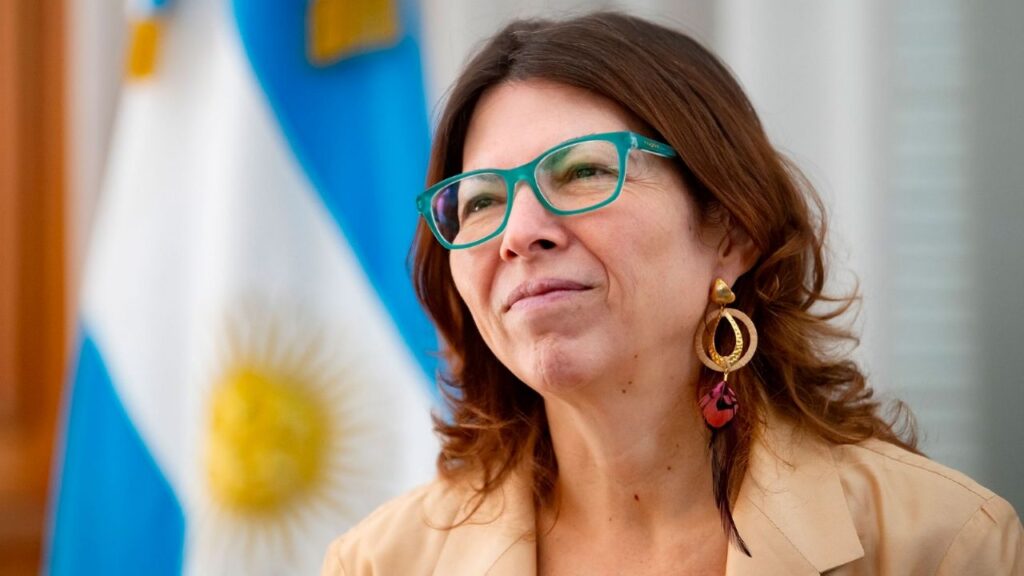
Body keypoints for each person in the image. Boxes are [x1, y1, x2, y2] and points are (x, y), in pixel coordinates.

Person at [321, 11, 1023, 575]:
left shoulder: (943, 546)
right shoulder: (379, 564)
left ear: (731, 229)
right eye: (478, 203)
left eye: (584, 171)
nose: (519, 233)